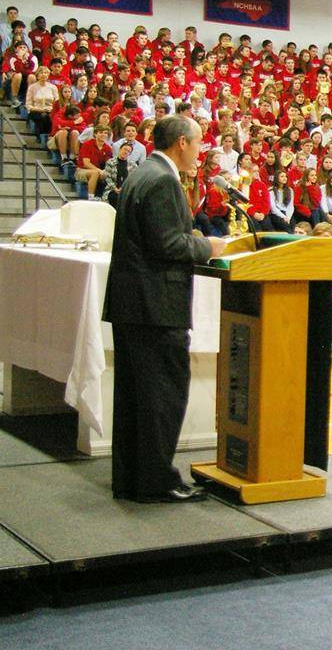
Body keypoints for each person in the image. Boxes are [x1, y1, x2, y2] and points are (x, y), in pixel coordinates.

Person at [102, 115, 226, 503]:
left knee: (134, 396)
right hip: (155, 306)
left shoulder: (143, 173)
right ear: (182, 143)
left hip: (134, 304)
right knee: (161, 396)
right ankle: (157, 481)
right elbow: (169, 246)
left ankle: (132, 479)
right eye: (199, 143)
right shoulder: (163, 180)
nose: (200, 152)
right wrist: (209, 246)